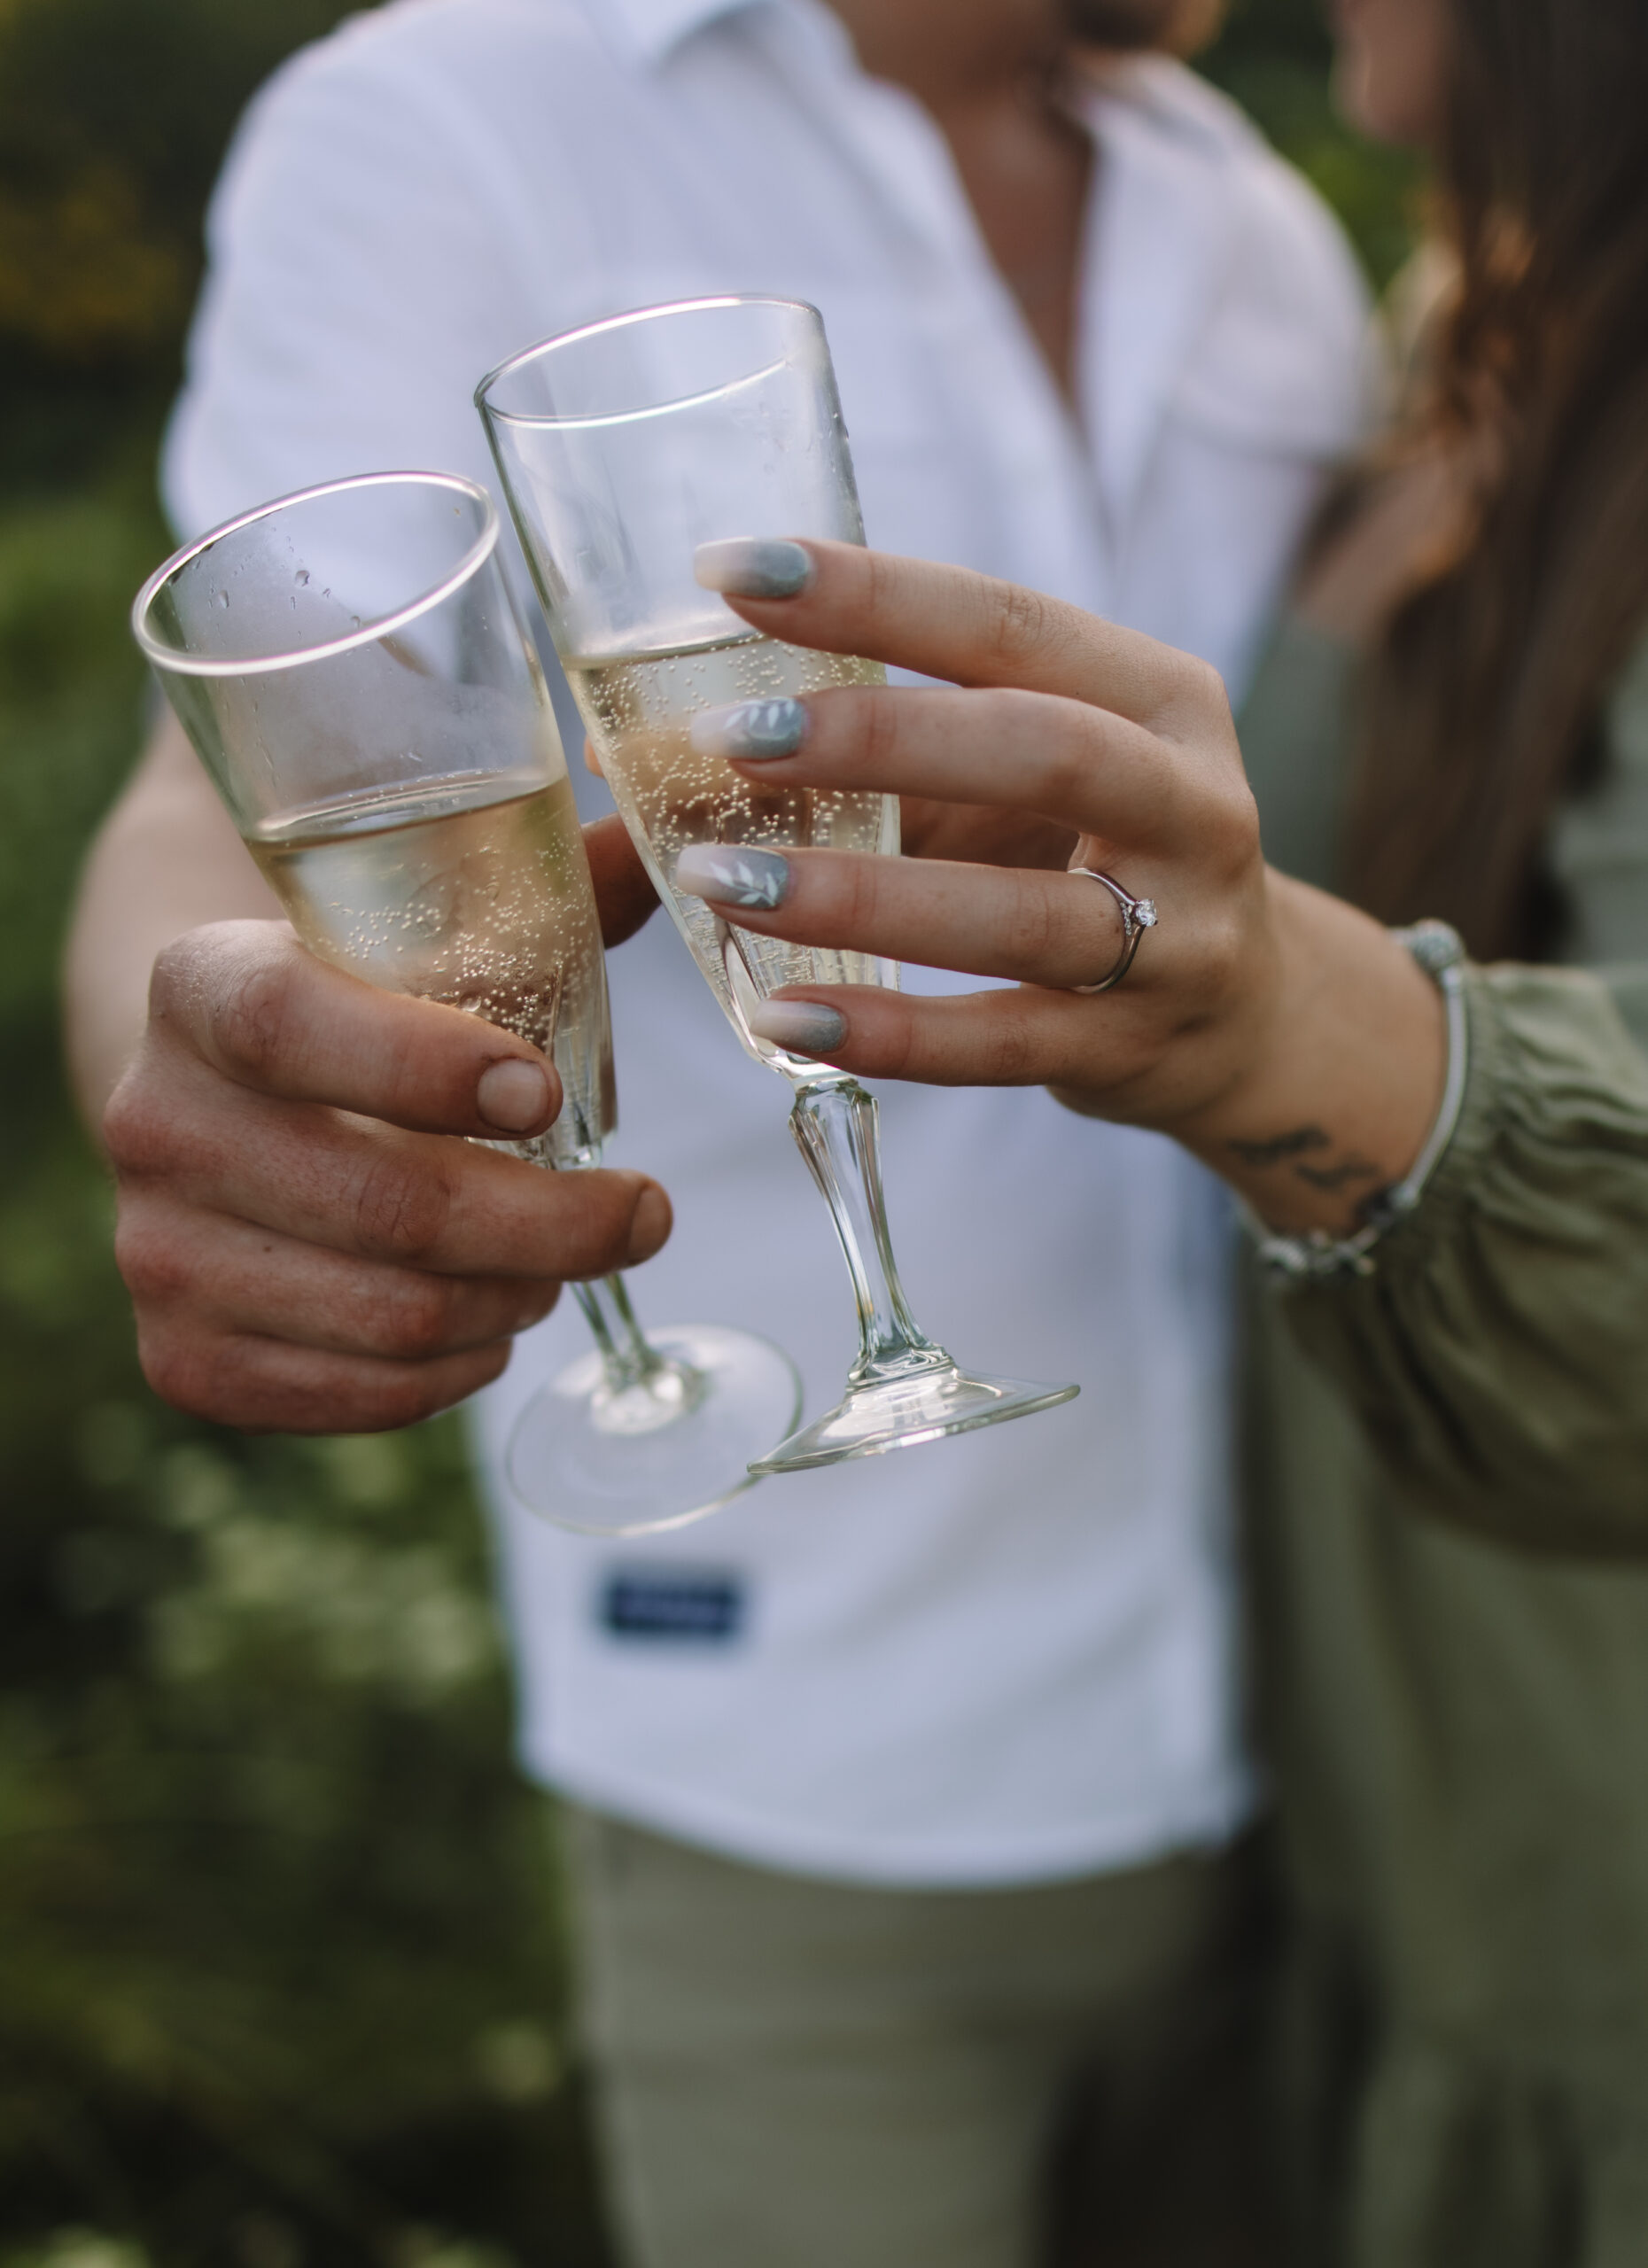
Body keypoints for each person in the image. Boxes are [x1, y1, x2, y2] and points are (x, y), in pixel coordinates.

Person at [66, 1, 1372, 2259]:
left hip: (1344, 1779)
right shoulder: (446, 117)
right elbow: (235, 805)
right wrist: (199, 1088)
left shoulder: (1255, 229)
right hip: (800, 1781)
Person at [650, 0, 1648, 2259]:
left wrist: (1269, 1010)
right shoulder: (1437, 308)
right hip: (1353, 1802)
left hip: (1568, 1832)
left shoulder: (1282, 246)